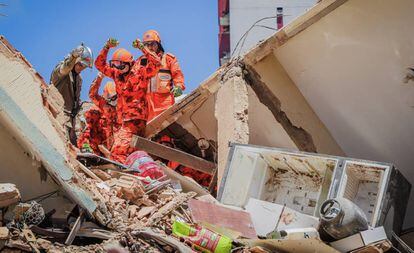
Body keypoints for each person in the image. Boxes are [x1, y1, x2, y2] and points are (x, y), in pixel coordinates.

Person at [95, 38, 161, 163]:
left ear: (129, 63)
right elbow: (99, 65)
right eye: (114, 64)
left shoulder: (140, 73)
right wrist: (106, 47)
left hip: (135, 119)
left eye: (120, 64)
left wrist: (143, 47)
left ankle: (121, 175)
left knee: (117, 151)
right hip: (124, 120)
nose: (117, 67)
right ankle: (136, 173)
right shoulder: (116, 74)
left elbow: (157, 63)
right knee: (132, 152)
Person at [50, 44, 93, 145]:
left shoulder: (79, 80)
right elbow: (65, 68)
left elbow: (76, 101)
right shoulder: (61, 71)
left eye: (85, 67)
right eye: (81, 65)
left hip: (71, 123)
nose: (82, 69)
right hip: (57, 115)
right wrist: (73, 57)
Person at [137, 30, 185, 121]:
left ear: (158, 44)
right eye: (146, 45)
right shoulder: (141, 62)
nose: (149, 47)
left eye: (152, 44)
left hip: (165, 105)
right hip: (147, 108)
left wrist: (178, 86)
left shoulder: (168, 59)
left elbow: (177, 75)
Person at [89, 72, 118, 149]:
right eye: (110, 97)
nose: (112, 100)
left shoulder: (119, 110)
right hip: (95, 140)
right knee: (92, 113)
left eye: (115, 97)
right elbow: (92, 94)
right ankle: (86, 146)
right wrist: (99, 78)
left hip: (109, 144)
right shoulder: (102, 103)